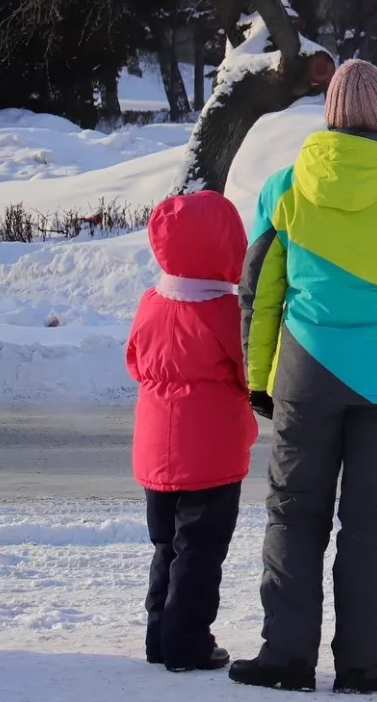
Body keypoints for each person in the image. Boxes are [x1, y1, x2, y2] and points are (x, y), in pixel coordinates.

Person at [232, 60, 377, 695]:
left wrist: (259, 377)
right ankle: (362, 667)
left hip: (306, 374)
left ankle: (285, 659)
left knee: (292, 513)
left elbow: (260, 294)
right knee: (370, 525)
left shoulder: (284, 187)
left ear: (331, 117)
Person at [127, 191, 258, 675]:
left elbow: (135, 361)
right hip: (211, 456)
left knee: (167, 546)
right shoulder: (226, 313)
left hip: (154, 454)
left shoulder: (152, 302)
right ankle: (187, 643)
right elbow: (251, 372)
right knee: (200, 552)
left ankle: (158, 636)